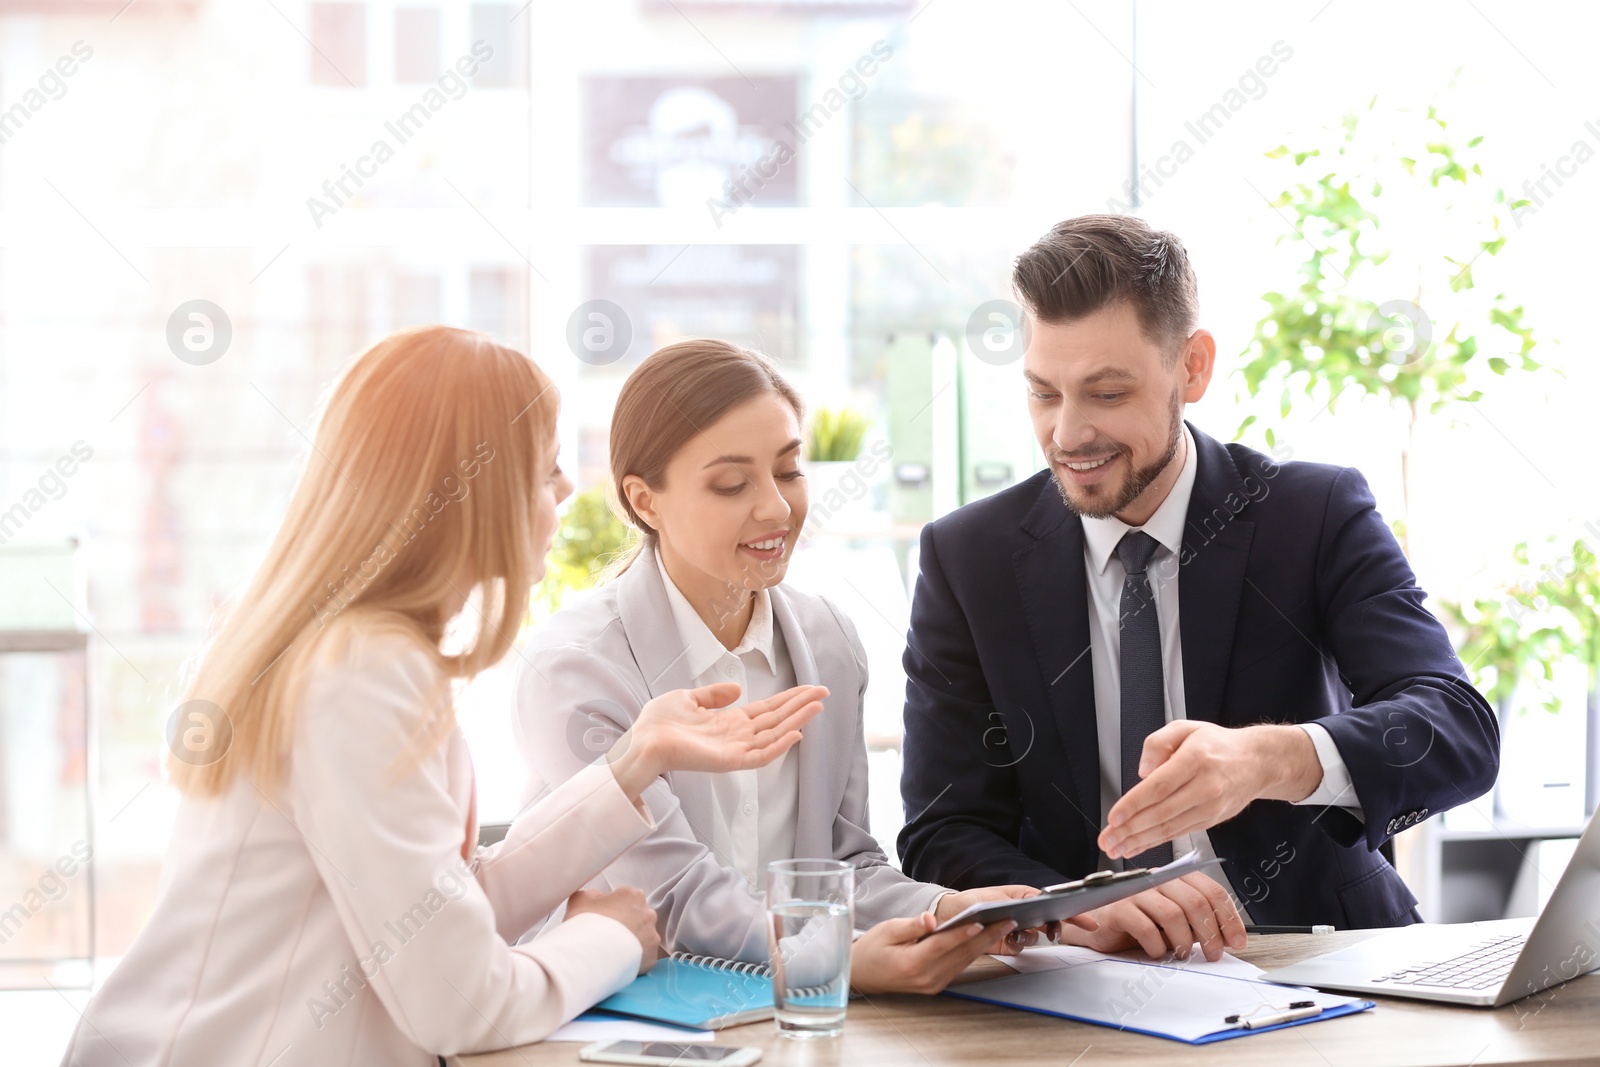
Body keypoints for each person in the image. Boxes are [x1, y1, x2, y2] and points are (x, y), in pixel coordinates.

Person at [61, 327, 831, 1067]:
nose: (565, 489)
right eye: (544, 468)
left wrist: (635, 758)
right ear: (470, 491)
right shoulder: (360, 676)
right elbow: (462, 1000)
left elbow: (439, 913)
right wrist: (613, 939)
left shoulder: (360, 651)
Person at [898, 215, 1500, 958]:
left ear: (1193, 366)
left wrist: (1266, 761)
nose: (1068, 433)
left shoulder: (1311, 514)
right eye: (1043, 393)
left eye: (1107, 392)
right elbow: (942, 831)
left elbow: (1458, 730)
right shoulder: (969, 557)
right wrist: (1078, 910)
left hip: (1321, 959)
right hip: (1086, 977)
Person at [516, 339, 1077, 994]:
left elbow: (846, 864)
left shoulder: (827, 639)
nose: (777, 509)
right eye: (732, 483)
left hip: (793, 1014)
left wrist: (947, 909)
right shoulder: (576, 669)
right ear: (645, 501)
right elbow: (673, 898)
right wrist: (841, 957)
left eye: (788, 471)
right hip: (625, 1013)